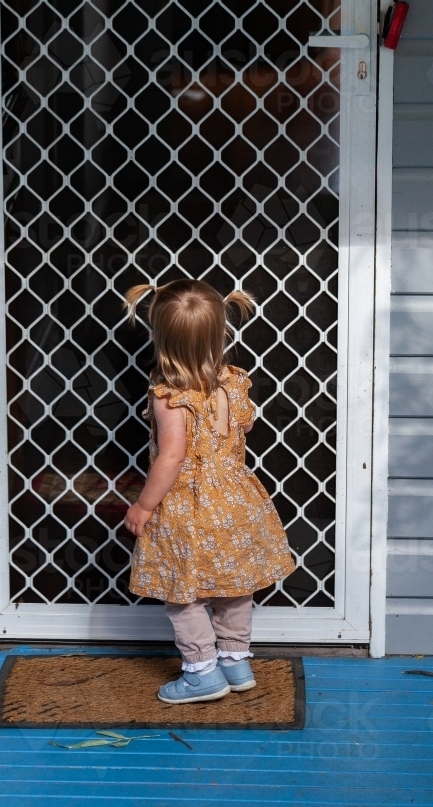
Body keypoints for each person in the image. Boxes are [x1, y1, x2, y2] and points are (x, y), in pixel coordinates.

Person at [122, 279, 295, 704]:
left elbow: (172, 456)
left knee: (185, 593)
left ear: (161, 338)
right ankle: (236, 662)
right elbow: (247, 426)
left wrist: (144, 505)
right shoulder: (234, 383)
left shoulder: (169, 396)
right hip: (237, 499)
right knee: (235, 586)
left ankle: (203, 672)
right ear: (220, 333)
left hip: (190, 505)